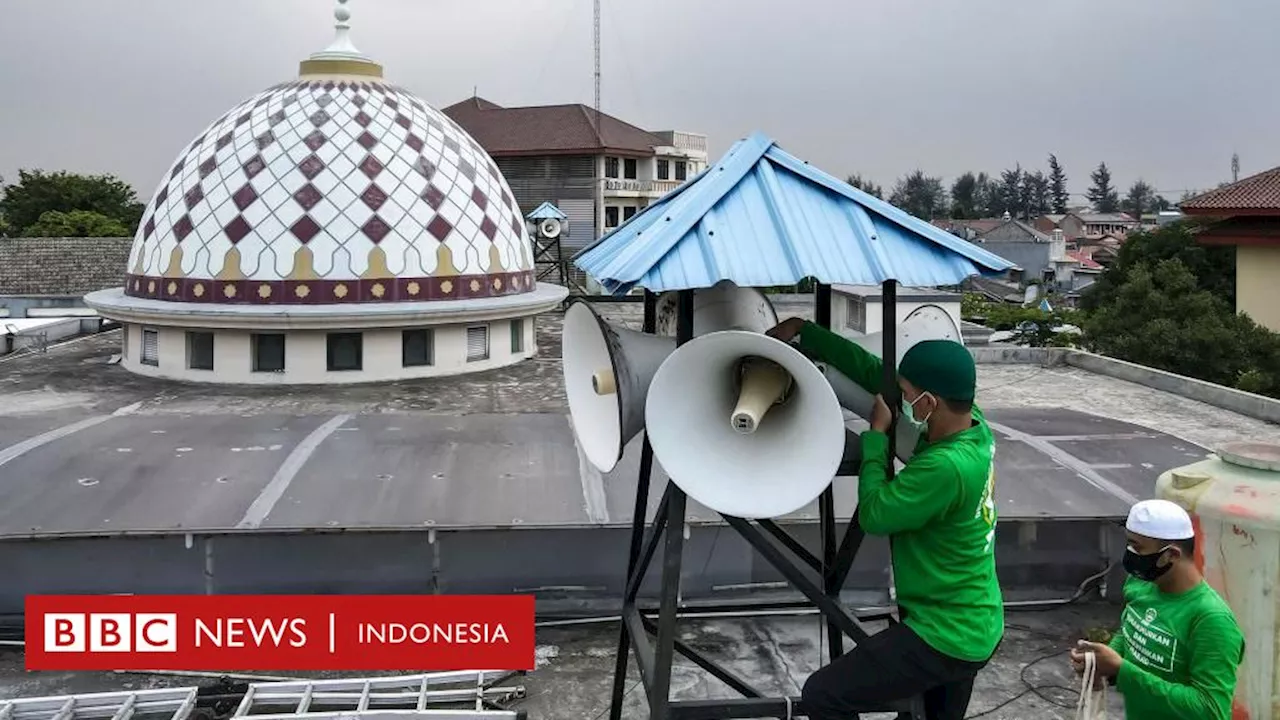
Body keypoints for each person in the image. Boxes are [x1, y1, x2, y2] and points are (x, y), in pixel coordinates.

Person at [767, 317, 1003, 720]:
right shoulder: (973, 425)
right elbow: (877, 373)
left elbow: (875, 514)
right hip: (975, 618)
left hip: (944, 633)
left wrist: (876, 437)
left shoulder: (946, 467)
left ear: (930, 403)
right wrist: (807, 332)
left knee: (824, 695)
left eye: (908, 396)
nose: (902, 401)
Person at [1070, 498, 1245, 719]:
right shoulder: (1141, 583)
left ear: (1170, 555)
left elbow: (1211, 709)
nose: (1129, 553)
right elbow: (1131, 629)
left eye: (1137, 547)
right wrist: (1103, 664)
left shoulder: (1210, 619)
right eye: (1129, 544)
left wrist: (1121, 670)